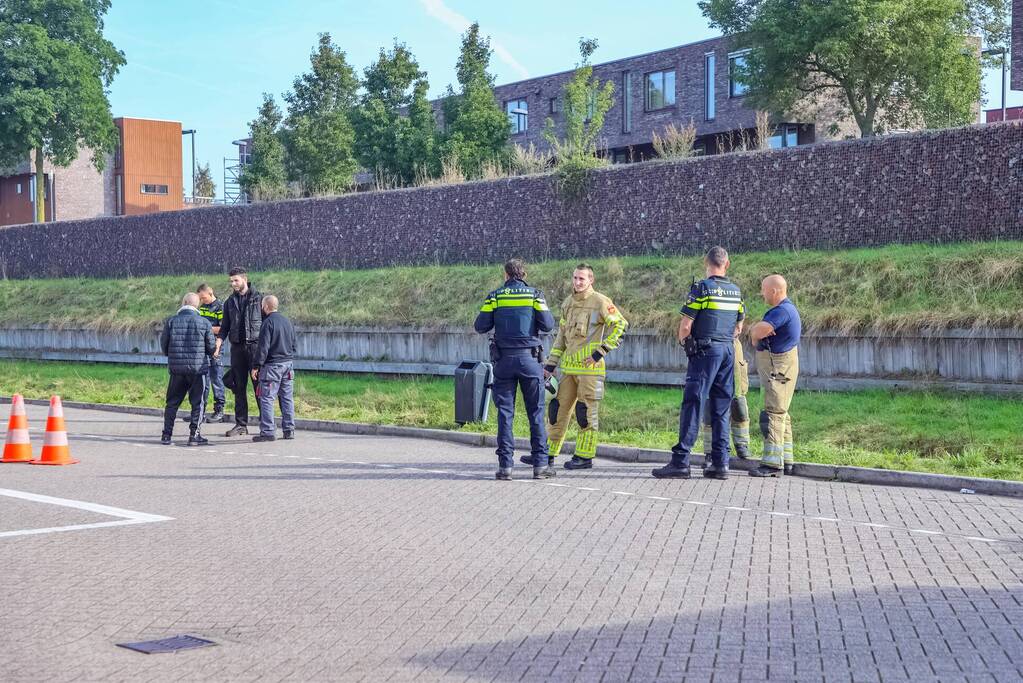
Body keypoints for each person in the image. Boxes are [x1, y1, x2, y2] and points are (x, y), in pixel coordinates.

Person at [652, 246, 744, 480]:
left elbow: (685, 326)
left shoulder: (702, 289)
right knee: (721, 407)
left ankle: (681, 461)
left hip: (705, 352)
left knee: (693, 403)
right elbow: (739, 326)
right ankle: (720, 463)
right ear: (727, 264)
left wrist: (687, 345)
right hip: (727, 351)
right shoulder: (736, 291)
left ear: (706, 262)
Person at [533, 263, 628, 471]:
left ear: (591, 280)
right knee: (556, 410)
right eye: (575, 278)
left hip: (590, 371)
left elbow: (621, 325)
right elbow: (561, 337)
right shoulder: (568, 302)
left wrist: (599, 352)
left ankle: (584, 457)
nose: (577, 282)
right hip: (568, 369)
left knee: (585, 413)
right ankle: (546, 454)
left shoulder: (600, 301)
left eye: (582, 279)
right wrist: (550, 365)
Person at [474, 259, 556, 480]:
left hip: (504, 361)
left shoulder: (495, 297)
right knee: (536, 414)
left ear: (506, 275)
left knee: (505, 414)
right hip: (530, 361)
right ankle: (540, 466)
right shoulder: (535, 295)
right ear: (524, 274)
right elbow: (548, 325)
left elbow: (480, 326)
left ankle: (505, 468)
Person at [748, 274, 802, 478]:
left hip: (777, 370)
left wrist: (755, 331)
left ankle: (772, 465)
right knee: (782, 414)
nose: (761, 293)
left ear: (774, 290)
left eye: (763, 289)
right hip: (781, 369)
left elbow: (760, 331)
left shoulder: (781, 311)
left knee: (773, 414)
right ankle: (786, 460)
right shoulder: (788, 309)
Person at [160, 292, 217, 446]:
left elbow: (164, 346)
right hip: (198, 370)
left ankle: (166, 435)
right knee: (198, 403)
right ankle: (194, 435)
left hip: (177, 370)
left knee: (172, 403)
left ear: (183, 302)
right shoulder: (204, 323)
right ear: (197, 305)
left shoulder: (171, 321)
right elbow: (211, 348)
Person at [216, 267, 264, 436]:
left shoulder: (259, 298)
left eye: (236, 280)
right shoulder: (229, 302)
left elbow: (268, 325)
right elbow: (225, 328)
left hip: (255, 348)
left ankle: (266, 425)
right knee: (239, 387)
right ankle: (241, 424)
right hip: (237, 348)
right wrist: (218, 343)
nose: (233, 284)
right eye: (231, 281)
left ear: (244, 278)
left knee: (260, 388)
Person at [250, 295, 298, 443]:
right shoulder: (287, 321)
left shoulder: (267, 323)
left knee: (266, 398)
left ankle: (268, 431)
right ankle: (289, 430)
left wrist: (256, 366)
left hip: (272, 366)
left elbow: (263, 348)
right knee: (287, 398)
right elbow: (294, 344)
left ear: (265, 307)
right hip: (288, 364)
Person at [699, 336, 751, 466]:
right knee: (710, 404)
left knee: (738, 402)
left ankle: (741, 445)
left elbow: (739, 324)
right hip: (710, 346)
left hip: (732, 346)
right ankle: (710, 452)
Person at [197, 283, 226, 423]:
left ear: (210, 292)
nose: (202, 301)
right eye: (200, 298)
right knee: (204, 381)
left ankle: (219, 410)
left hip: (216, 347)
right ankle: (201, 412)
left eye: (204, 297)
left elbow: (222, 328)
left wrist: (205, 327)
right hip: (203, 348)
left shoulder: (220, 307)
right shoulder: (202, 307)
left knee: (216, 379)